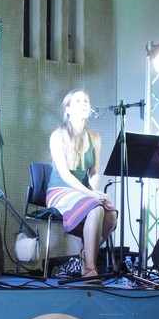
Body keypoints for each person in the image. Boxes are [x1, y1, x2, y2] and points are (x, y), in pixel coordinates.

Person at [47, 89, 118, 280]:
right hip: (60, 189)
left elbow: (94, 171)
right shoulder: (57, 136)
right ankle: (89, 269)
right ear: (68, 109)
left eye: (86, 100)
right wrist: (90, 194)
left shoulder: (95, 137)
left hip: (84, 191)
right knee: (96, 208)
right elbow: (64, 173)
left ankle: (86, 253)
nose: (84, 103)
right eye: (78, 101)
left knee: (111, 214)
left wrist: (94, 191)